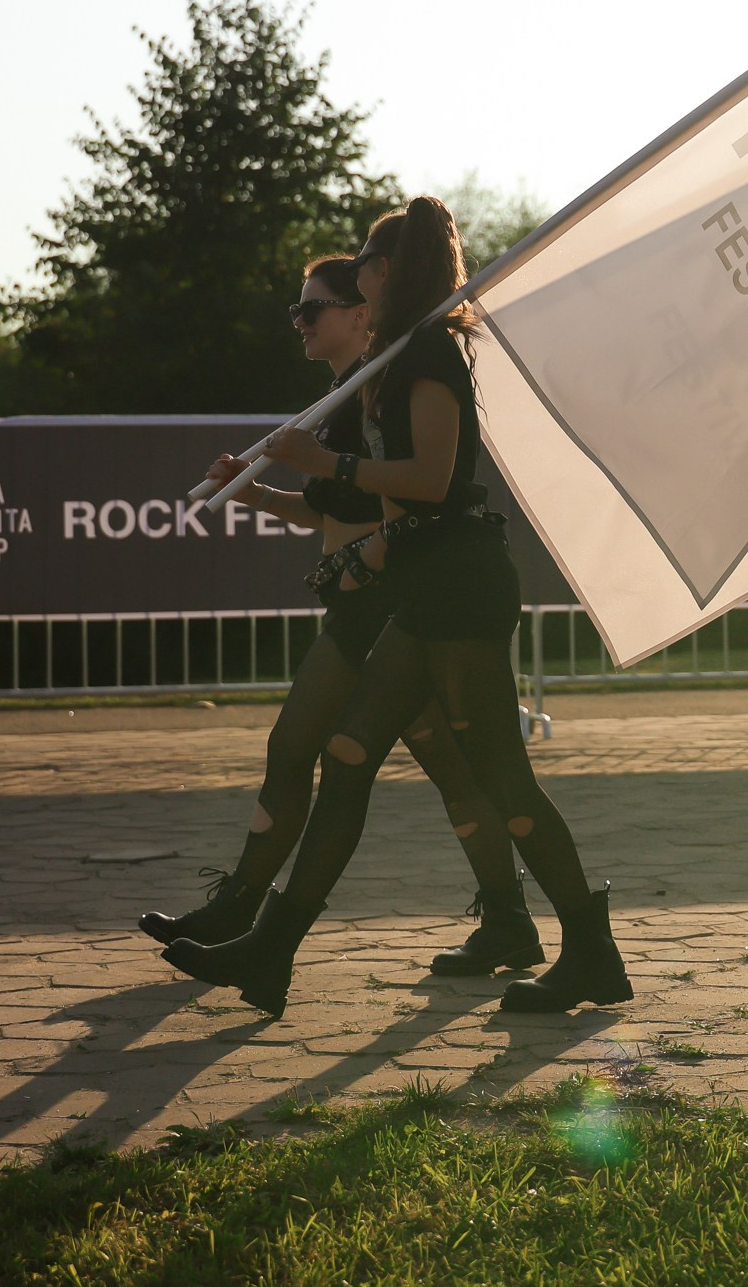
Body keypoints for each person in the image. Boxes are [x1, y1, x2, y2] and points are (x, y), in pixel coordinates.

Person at [166, 198, 630, 1018]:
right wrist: (329, 495)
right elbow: (406, 496)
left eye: (364, 264)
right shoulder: (400, 357)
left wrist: (328, 465)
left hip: (460, 591)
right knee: (348, 759)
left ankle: (590, 950)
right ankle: (269, 954)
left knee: (501, 777)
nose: (357, 276)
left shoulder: (432, 358)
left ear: (386, 272)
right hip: (428, 589)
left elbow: (434, 481)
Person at [138, 256, 545, 981]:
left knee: (303, 749)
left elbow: (403, 497)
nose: (299, 322)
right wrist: (256, 493)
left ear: (361, 314)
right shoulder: (355, 392)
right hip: (372, 603)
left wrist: (339, 508)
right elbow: (334, 507)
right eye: (297, 312)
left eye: (312, 309)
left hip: (383, 608)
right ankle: (509, 919)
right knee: (449, 772)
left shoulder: (379, 391)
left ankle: (249, 915)